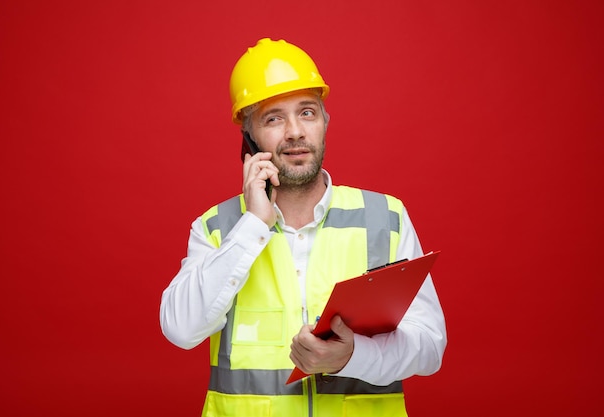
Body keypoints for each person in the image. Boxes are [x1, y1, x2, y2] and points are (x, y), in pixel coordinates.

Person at [160, 37, 447, 417]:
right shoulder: (217, 228)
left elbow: (430, 348)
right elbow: (181, 329)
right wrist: (252, 226)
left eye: (307, 112)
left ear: (325, 122)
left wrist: (352, 356)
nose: (295, 132)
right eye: (274, 118)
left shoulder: (386, 218)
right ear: (250, 138)